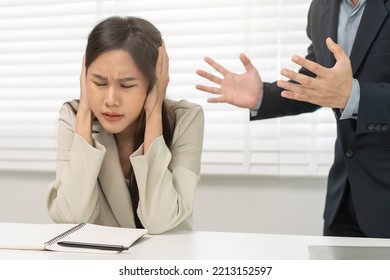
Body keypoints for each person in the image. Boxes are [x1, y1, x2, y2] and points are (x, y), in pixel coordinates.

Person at [196, 0, 390, 238]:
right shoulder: (321, 8)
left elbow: (343, 91)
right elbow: (317, 85)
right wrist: (262, 98)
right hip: (343, 202)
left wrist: (355, 95)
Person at [47, 16, 204, 234]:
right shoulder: (73, 116)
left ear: (153, 83)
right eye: (99, 83)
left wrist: (153, 116)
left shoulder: (186, 120)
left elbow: (159, 221)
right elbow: (70, 218)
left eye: (126, 85)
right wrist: (84, 113)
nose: (111, 99)